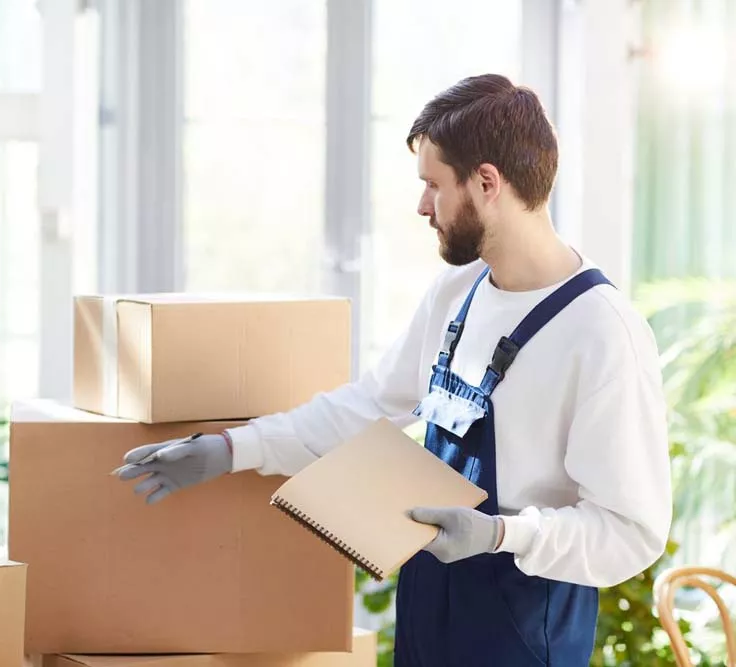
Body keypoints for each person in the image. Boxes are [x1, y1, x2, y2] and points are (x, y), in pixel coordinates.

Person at [112, 73, 672, 667]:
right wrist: (231, 449)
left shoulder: (603, 333)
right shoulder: (459, 290)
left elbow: (629, 532)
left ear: (487, 182)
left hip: (524, 636)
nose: (423, 206)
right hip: (430, 619)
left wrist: (501, 536)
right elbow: (369, 406)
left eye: (433, 185)